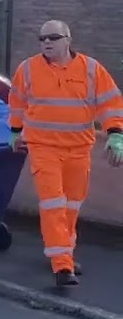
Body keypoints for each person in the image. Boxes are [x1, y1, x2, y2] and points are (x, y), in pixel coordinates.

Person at [8, 20, 123, 287]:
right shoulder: (28, 69)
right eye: (42, 38)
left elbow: (111, 102)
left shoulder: (91, 69)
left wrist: (116, 134)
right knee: (53, 205)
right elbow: (16, 103)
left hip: (79, 148)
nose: (47, 43)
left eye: (53, 37)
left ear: (68, 40)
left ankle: (65, 255)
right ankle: (62, 267)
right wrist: (15, 132)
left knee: (71, 206)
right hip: (43, 147)